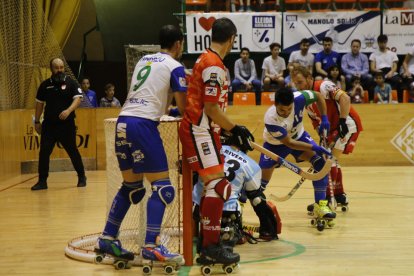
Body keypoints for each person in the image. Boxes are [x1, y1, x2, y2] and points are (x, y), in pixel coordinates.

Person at [94, 25, 187, 264]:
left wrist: (169, 107)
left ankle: (107, 237)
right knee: (164, 189)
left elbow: (160, 101)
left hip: (123, 122)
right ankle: (151, 245)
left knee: (132, 187)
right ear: (178, 44)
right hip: (143, 126)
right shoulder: (175, 66)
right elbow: (185, 109)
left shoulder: (144, 60)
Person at [179, 18, 254, 266]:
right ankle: (211, 247)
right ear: (232, 38)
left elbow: (209, 108)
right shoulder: (213, 64)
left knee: (216, 187)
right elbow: (210, 107)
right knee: (220, 187)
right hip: (198, 131)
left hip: (205, 130)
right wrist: (236, 128)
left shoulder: (207, 59)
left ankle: (207, 242)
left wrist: (227, 132)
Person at [258, 87, 335, 223]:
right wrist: (315, 147)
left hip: (299, 137)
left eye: (289, 109)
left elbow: (318, 96)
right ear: (275, 104)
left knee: (321, 165)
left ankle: (321, 206)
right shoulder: (270, 119)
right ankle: (239, 205)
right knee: (260, 182)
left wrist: (324, 118)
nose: (286, 113)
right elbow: (290, 143)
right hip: (275, 145)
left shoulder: (300, 97)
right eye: (282, 110)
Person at [291, 66, 363, 209]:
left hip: (347, 123)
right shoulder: (306, 99)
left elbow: (345, 98)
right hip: (333, 129)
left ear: (309, 79)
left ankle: (327, 200)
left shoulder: (323, 86)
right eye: (295, 83)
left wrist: (342, 121)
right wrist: (322, 136)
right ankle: (339, 195)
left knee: (328, 160)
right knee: (331, 159)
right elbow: (316, 122)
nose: (298, 87)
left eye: (300, 82)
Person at [193, 140, 280, 249]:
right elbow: (254, 195)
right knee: (257, 198)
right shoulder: (251, 164)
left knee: (196, 180)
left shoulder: (214, 149)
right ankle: (266, 232)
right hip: (227, 213)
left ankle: (193, 230)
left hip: (198, 208)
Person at [31, 58, 87, 190]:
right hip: (49, 126)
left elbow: (78, 99)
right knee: (44, 152)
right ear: (51, 69)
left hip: (66, 125)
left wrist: (68, 111)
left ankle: (82, 176)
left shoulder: (71, 83)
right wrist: (37, 121)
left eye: (61, 67)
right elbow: (39, 104)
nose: (60, 70)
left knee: (72, 151)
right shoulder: (45, 85)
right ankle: (42, 181)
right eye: (57, 67)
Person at [369, 34, 403, 102]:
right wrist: (377, 71)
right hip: (379, 72)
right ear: (378, 43)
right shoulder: (373, 54)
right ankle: (373, 100)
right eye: (381, 42)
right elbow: (372, 68)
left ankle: (398, 99)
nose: (383, 44)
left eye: (384, 42)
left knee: (398, 80)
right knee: (370, 81)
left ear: (386, 42)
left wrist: (391, 72)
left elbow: (395, 66)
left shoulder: (392, 54)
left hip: (390, 71)